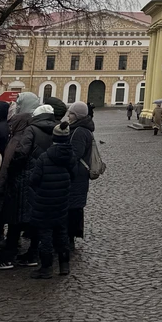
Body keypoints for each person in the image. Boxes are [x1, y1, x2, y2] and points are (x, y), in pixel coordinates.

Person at [0, 91, 39, 269]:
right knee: (22, 220)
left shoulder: (22, 129)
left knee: (15, 219)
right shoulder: (36, 126)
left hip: (19, 183)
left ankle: (8, 256)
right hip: (28, 184)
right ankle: (26, 252)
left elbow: (12, 159)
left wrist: (1, 185)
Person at [26, 120, 75, 278]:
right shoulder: (70, 155)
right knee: (61, 232)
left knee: (45, 233)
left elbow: (34, 179)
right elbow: (73, 175)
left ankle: (46, 268)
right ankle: (64, 265)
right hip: (62, 200)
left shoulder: (44, 157)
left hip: (44, 201)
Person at [64, 100, 94, 252]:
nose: (68, 116)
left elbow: (75, 154)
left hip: (77, 175)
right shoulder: (83, 129)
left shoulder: (79, 131)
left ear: (77, 115)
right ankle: (71, 236)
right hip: (80, 174)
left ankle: (70, 238)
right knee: (75, 206)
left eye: (71, 113)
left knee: (73, 206)